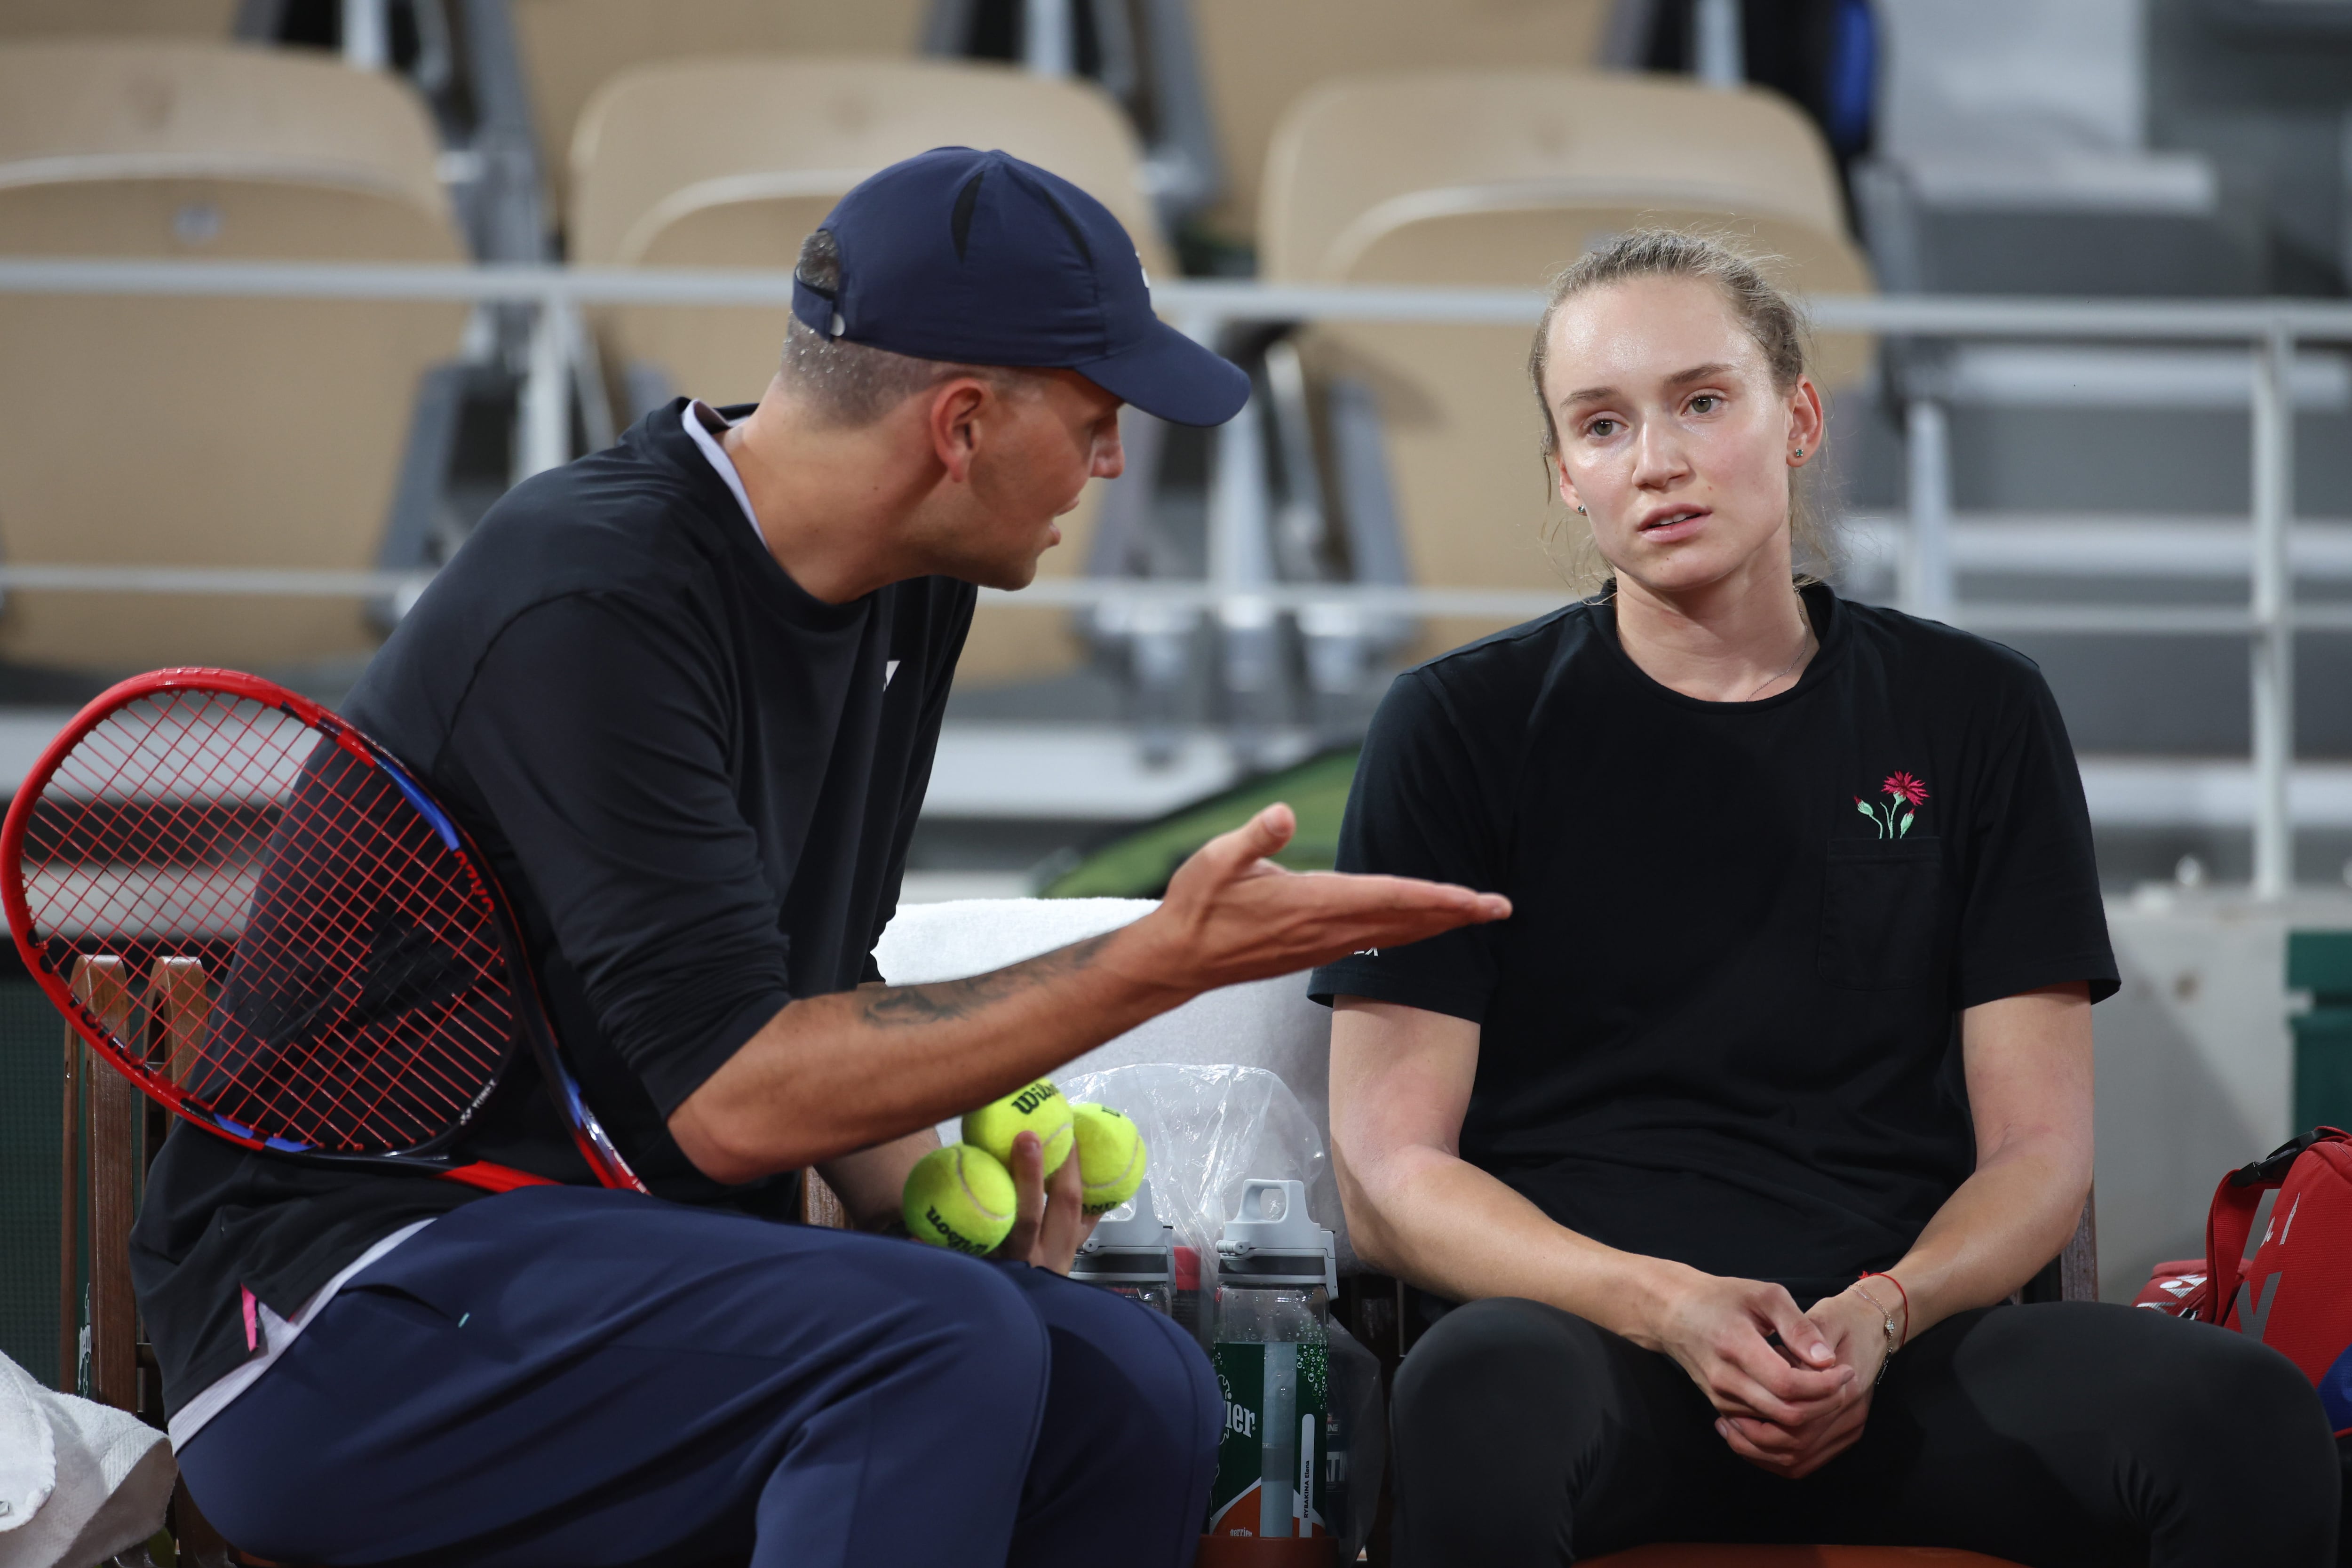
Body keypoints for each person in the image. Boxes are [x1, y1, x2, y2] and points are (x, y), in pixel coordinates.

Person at [132, 147, 1510, 1568]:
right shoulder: (588, 596)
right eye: (1098, 420)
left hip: (613, 1283)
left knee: (1134, 1383)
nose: (1112, 465)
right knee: (936, 1345)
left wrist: (925, 1197)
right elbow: (739, 1099)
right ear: (962, 425)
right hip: (336, 1315)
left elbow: (816, 983)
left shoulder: (911, 585)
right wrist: (1158, 960)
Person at [1312, 230, 2339, 1567]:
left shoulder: (1978, 712)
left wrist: (1886, 1314)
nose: (1660, 460)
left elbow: (2040, 1153)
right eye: (1605, 425)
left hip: (1907, 1357)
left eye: (1702, 401)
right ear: (1568, 476)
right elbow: (1391, 1174)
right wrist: (1663, 1305)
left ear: (1797, 418)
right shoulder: (1455, 727)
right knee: (1471, 1393)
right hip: (1596, 1350)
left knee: (2246, 1414)